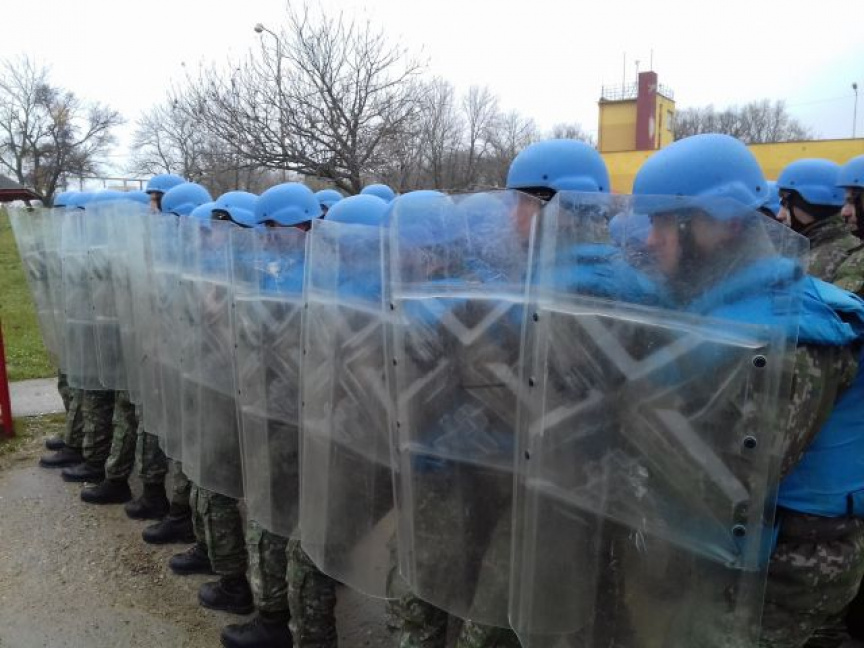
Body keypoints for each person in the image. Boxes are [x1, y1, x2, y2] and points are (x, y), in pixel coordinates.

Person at [631, 133, 864, 648]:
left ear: (722, 225)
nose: (649, 241)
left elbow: (734, 483)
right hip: (734, 552)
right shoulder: (730, 305)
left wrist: (624, 426)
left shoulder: (793, 336)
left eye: (662, 223)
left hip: (784, 571)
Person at [221, 183, 337, 648]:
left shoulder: (314, 279)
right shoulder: (285, 272)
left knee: (284, 517)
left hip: (307, 418)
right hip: (286, 410)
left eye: (271, 228)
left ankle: (279, 621)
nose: (264, 239)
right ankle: (277, 614)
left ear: (299, 226)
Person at [776, 159, 858, 281]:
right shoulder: (804, 247)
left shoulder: (847, 257)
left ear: (809, 204)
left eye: (786, 203)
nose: (779, 215)